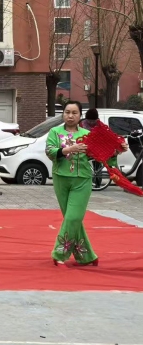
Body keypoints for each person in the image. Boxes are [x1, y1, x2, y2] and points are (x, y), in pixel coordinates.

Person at [45, 100, 124, 267]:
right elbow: (49, 151)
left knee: (74, 217)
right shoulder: (54, 132)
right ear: (63, 114)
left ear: (80, 115)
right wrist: (68, 150)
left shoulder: (88, 134)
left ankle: (60, 253)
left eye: (74, 113)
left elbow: (100, 155)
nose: (70, 116)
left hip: (83, 180)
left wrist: (117, 150)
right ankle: (86, 255)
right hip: (61, 178)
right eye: (67, 112)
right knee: (71, 219)